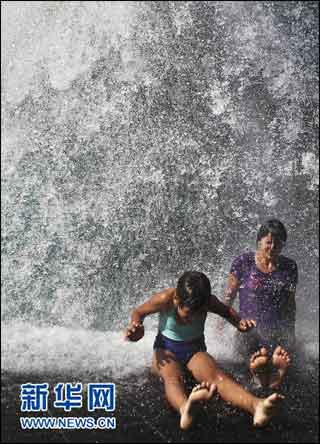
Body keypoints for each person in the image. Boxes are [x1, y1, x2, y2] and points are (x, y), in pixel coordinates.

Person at [124, 271, 284, 430]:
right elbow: (138, 312)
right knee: (172, 377)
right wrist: (136, 328)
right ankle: (185, 409)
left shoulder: (208, 302)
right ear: (177, 299)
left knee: (218, 377)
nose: (191, 318)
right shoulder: (165, 299)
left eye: (197, 314)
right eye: (187, 314)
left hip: (195, 350)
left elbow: (226, 311)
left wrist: (239, 323)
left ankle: (256, 405)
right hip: (166, 350)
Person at [221, 219, 298, 389]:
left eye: (278, 243)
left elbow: (290, 304)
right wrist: (220, 325)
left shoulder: (289, 267)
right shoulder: (243, 262)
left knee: (275, 360)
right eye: (268, 242)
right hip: (248, 331)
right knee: (257, 359)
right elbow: (228, 297)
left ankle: (271, 379)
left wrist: (291, 333)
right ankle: (262, 379)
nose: (272, 247)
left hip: (276, 332)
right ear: (259, 241)